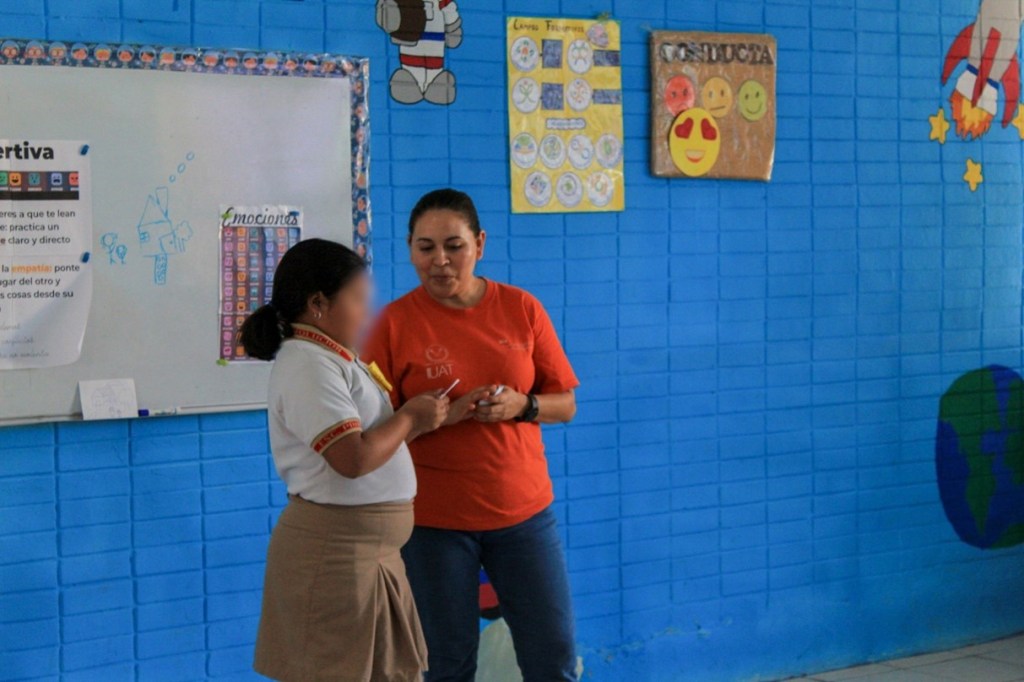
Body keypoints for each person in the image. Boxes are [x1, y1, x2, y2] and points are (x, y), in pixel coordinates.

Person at [364, 189, 580, 681]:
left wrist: (522, 406)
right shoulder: (393, 324)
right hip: (433, 525)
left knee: (553, 652)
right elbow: (372, 435)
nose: (439, 261)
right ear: (410, 249)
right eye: (425, 248)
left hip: (524, 515)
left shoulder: (522, 308)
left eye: (453, 246)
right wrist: (437, 416)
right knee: (446, 663)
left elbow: (565, 405)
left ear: (479, 244)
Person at [240, 238, 449, 682]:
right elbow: (351, 459)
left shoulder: (334, 358)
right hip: (336, 556)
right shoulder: (307, 364)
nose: (366, 314)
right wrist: (411, 418)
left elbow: (374, 436)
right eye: (358, 301)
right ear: (318, 303)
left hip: (370, 555)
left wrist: (431, 417)